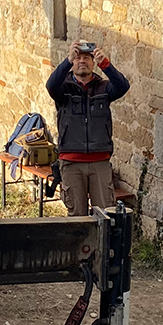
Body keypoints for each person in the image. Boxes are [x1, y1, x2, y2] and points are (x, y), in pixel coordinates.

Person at [44, 40, 130, 216]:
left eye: (87, 58)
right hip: (71, 162)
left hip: (99, 161)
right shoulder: (63, 90)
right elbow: (50, 85)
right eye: (78, 58)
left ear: (93, 63)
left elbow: (123, 86)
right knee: (77, 217)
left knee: (106, 214)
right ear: (73, 63)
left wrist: (105, 63)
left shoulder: (104, 88)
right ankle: (79, 245)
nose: (82, 61)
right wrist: (67, 60)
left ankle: (103, 245)